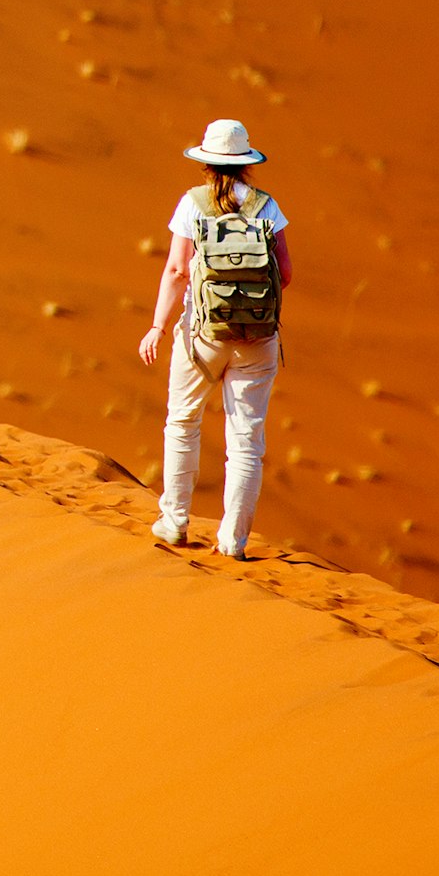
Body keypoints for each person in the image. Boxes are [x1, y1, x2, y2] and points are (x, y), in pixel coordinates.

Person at [136, 117, 294, 557]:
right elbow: (286, 273)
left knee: (182, 422)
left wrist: (158, 326)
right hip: (258, 337)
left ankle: (174, 522)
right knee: (245, 441)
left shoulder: (192, 204)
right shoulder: (267, 207)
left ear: (206, 163)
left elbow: (176, 270)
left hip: (201, 334)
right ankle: (233, 541)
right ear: (246, 163)